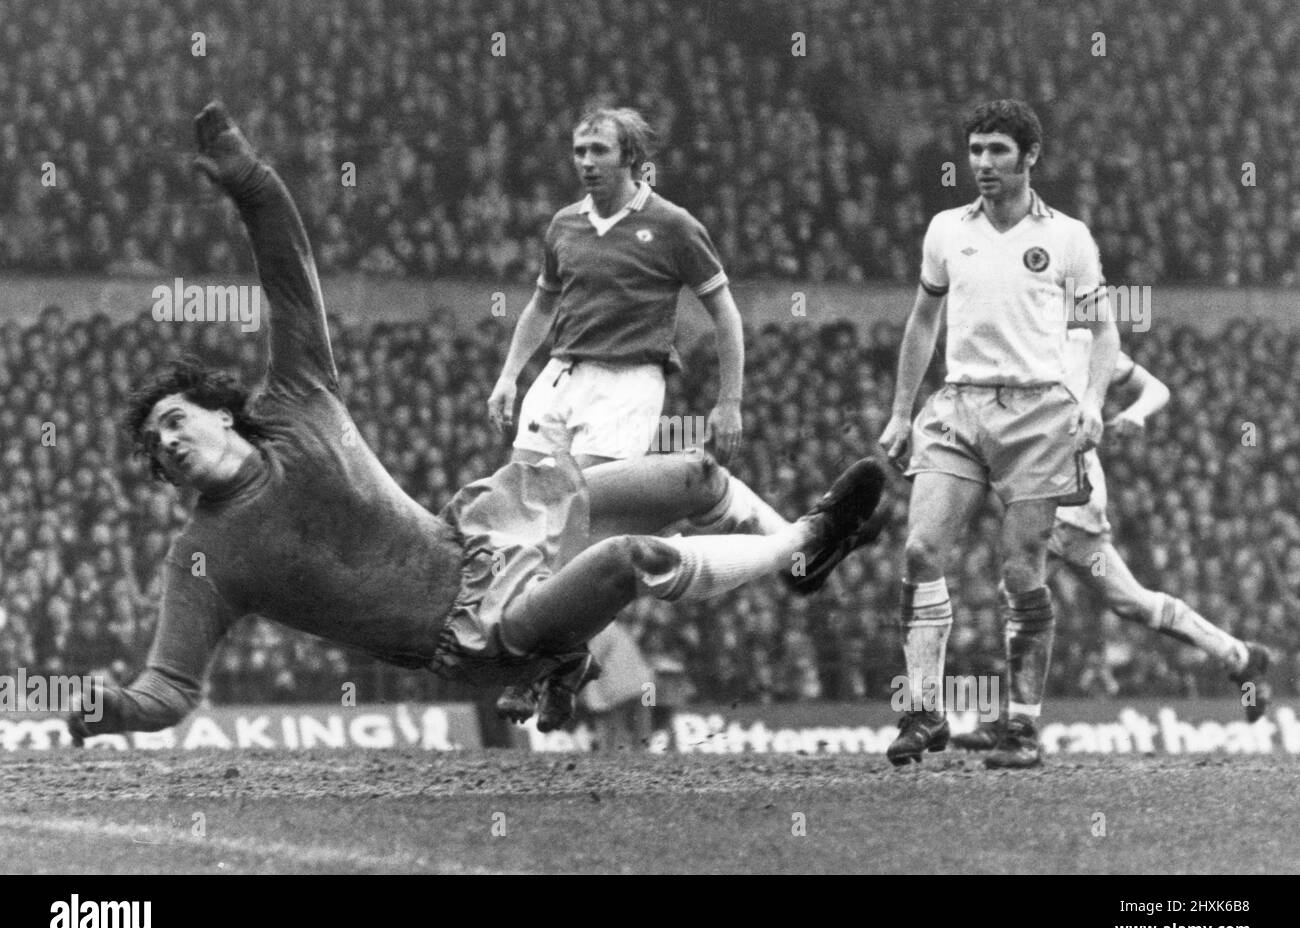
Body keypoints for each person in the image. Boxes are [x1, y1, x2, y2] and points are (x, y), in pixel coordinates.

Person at [66, 105, 886, 742]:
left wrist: (250, 181)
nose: (166, 446)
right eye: (153, 449)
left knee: (695, 476)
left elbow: (288, 274)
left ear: (219, 409)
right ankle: (800, 540)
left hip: (490, 536)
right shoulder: (203, 557)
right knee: (626, 559)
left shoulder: (297, 402)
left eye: (172, 422)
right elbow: (167, 690)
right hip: (476, 633)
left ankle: (800, 556)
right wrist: (111, 708)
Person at [486, 107, 781, 725]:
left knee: (577, 525)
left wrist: (729, 400)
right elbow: (542, 304)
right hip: (559, 376)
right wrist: (510, 374)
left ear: (629, 159)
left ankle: (552, 664)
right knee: (518, 518)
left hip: (627, 386)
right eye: (578, 151)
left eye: (598, 150)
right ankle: (557, 662)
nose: (586, 162)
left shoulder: (673, 226)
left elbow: (724, 314)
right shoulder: (565, 224)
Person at [878, 100, 1119, 769]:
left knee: (1019, 572)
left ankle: (1020, 728)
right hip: (959, 405)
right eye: (976, 150)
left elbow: (1103, 331)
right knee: (922, 550)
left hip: (1040, 413)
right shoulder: (946, 231)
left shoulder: (1069, 238)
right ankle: (923, 712)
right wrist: (902, 411)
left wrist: (1093, 403)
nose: (981, 163)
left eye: (997, 151)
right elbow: (923, 321)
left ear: (1030, 156)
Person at [952, 333, 1278, 750]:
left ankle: (1012, 722)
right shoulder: (1017, 347)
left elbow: (1156, 388)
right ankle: (1240, 657)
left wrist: (1138, 413)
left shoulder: (1082, 346)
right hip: (1061, 504)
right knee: (1132, 603)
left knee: (1017, 593)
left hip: (1064, 501)